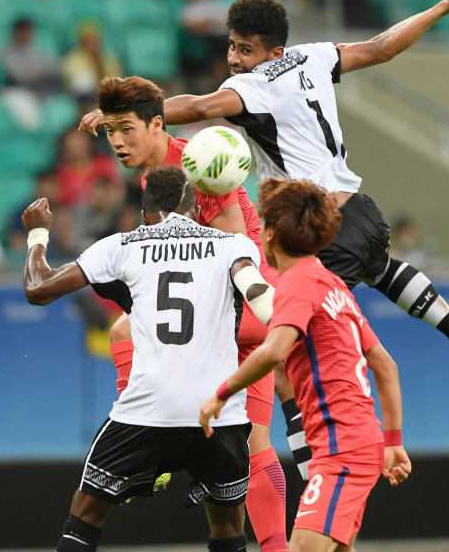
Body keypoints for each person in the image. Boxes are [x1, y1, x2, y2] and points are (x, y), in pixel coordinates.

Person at [78, 0, 449, 479]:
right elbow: (383, 46)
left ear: (272, 52)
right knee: (382, 272)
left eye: (246, 49)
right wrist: (445, 6)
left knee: (287, 349)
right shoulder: (312, 57)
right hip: (363, 214)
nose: (235, 58)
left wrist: (130, 117)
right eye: (232, 45)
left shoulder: (253, 88)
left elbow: (195, 108)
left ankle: (318, 463)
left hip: (314, 229)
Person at [22, 165, 274, 552]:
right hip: (219, 412)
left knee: (85, 515)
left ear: (145, 214)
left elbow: (38, 289)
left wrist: (38, 234)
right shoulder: (233, 245)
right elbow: (256, 292)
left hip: (146, 411)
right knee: (227, 527)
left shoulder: (122, 245)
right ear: (194, 207)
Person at [84, 75, 288, 552]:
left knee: (252, 448)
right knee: (253, 448)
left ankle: (147, 454)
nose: (116, 141)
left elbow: (237, 251)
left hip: (244, 309)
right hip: (235, 305)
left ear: (157, 125)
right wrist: (115, 117)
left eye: (126, 130)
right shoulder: (158, 170)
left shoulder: (197, 163)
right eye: (111, 130)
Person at [200, 177, 411, 552]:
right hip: (361, 442)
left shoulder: (296, 284)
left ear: (268, 235)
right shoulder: (334, 285)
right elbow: (386, 366)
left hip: (341, 452)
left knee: (301, 548)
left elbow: (274, 351)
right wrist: (392, 443)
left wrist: (220, 394)